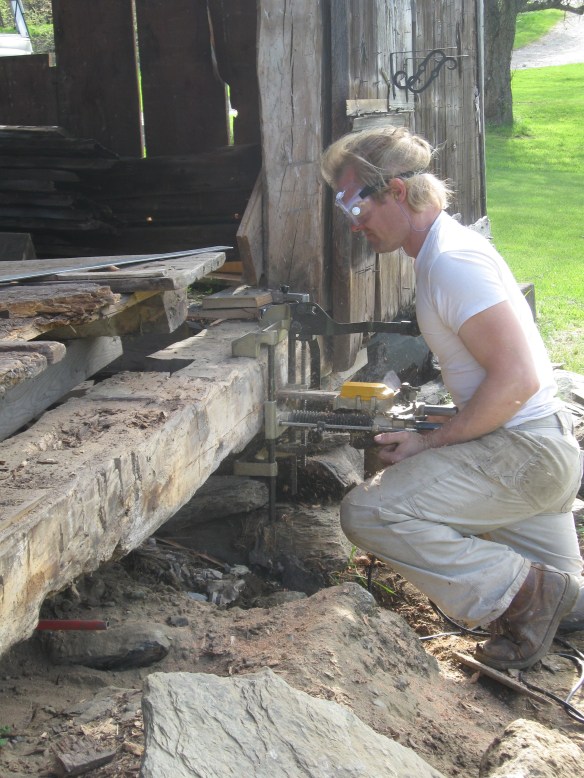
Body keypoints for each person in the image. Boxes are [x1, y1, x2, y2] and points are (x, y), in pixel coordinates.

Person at [321, 125, 584, 670]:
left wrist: (432, 443)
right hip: (536, 452)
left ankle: (527, 597)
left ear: (396, 191)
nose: (354, 221)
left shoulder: (452, 262)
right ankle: (547, 595)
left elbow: (516, 380)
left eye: (355, 203)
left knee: (369, 512)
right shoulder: (444, 253)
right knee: (575, 604)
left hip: (527, 455)